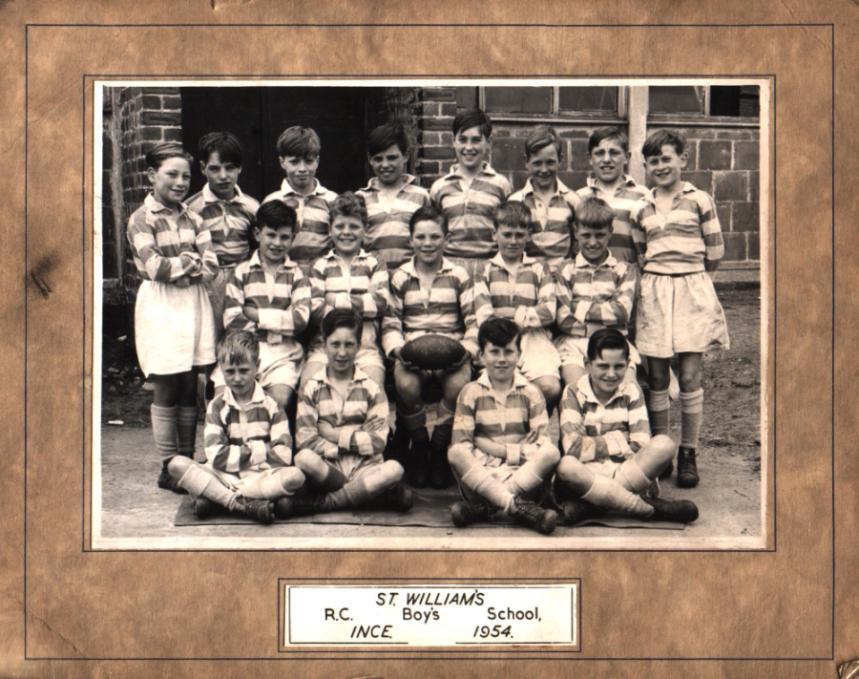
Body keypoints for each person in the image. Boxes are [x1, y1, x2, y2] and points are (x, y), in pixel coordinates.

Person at [632, 129, 730, 487]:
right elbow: (642, 253)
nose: (660, 166)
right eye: (653, 161)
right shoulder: (641, 207)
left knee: (688, 376)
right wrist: (661, 281)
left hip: (691, 288)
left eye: (667, 158)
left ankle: (688, 451)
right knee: (657, 377)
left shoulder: (699, 200)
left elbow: (715, 253)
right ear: (646, 166)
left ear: (682, 160)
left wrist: (691, 282)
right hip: (655, 291)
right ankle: (663, 451)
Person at [126, 142, 217, 493]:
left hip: (192, 303)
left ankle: (186, 461)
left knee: (188, 381)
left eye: (186, 176)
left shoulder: (194, 216)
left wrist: (181, 267)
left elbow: (210, 264)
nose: (180, 182)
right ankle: (168, 466)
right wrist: (183, 264)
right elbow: (154, 267)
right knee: (166, 381)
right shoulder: (141, 219)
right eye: (172, 174)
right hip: (162, 306)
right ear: (152, 176)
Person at [554, 329, 698, 525]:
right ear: (587, 365)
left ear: (627, 365)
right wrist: (621, 438)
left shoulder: (631, 390)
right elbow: (573, 448)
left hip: (626, 471)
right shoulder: (573, 392)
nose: (611, 374)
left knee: (663, 444)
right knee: (566, 466)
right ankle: (646, 508)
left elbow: (640, 443)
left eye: (619, 367)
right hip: (588, 474)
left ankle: (591, 505)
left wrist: (592, 442)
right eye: (603, 366)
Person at [381, 205, 477, 488]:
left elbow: (476, 320)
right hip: (413, 352)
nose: (428, 244)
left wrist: (465, 351)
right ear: (411, 240)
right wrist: (398, 350)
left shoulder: (460, 275)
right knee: (406, 384)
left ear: (446, 239)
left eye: (435, 237)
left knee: (458, 384)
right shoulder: (400, 277)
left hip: (452, 351)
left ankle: (439, 447)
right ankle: (420, 446)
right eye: (420, 237)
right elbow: (390, 322)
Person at [166, 331, 306, 524]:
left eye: (244, 370)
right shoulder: (217, 406)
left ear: (257, 366)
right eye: (230, 372)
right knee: (176, 464)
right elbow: (215, 455)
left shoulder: (272, 405)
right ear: (221, 369)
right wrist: (261, 451)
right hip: (223, 476)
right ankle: (243, 505)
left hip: (260, 477)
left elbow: (283, 455)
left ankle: (218, 500)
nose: (237, 378)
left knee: (295, 476)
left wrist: (239, 457)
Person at [289, 309, 412, 515]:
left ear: (359, 346)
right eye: (335, 344)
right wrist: (356, 438)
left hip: (365, 466)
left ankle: (326, 503)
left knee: (394, 469)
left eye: (349, 345)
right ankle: (367, 495)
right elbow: (306, 440)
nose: (342, 353)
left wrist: (332, 434)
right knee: (303, 459)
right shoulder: (311, 388)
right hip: (328, 468)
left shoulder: (372, 387)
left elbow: (378, 441)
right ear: (324, 344)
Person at [446, 317, 561, 535]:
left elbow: (539, 444)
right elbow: (462, 444)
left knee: (551, 452)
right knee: (456, 453)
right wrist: (516, 450)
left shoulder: (532, 393)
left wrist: (490, 446)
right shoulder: (470, 392)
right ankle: (517, 507)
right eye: (494, 352)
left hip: (522, 477)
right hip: (481, 478)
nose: (501, 359)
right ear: (481, 356)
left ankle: (484, 508)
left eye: (508, 352)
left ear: (519, 355)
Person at [221, 200, 311, 415]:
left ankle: (273, 447)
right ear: (257, 234)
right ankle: (235, 447)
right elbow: (232, 321)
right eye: (271, 235)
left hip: (282, 354)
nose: (277, 243)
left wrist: (255, 314)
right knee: (224, 398)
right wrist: (280, 320)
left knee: (277, 400)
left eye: (284, 237)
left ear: (292, 238)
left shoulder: (297, 274)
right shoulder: (242, 272)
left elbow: (300, 320)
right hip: (243, 351)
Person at [473, 200, 561, 413]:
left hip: (534, 340)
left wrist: (510, 313)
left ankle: (535, 427)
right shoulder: (483, 269)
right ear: (495, 234)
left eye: (519, 235)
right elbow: (484, 316)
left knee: (549, 387)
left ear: (528, 235)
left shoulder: (540, 268)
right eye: (507, 234)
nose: (513, 241)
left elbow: (549, 311)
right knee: (499, 390)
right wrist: (528, 314)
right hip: (496, 340)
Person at [302, 192, 388, 391]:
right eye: (340, 226)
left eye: (354, 226)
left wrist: (333, 299)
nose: (346, 232)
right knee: (307, 385)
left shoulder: (375, 264)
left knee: (374, 390)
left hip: (365, 347)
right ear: (330, 230)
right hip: (324, 347)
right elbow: (315, 311)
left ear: (365, 230)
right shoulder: (320, 266)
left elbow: (380, 304)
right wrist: (362, 301)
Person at [555, 197, 639, 390]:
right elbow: (563, 319)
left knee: (629, 389)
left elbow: (621, 312)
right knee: (578, 390)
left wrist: (578, 306)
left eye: (599, 235)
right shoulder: (565, 270)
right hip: (574, 345)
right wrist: (602, 318)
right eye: (586, 235)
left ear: (610, 232)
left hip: (615, 343)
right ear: (576, 232)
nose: (593, 242)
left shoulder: (623, 270)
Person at [186, 131, 260, 337]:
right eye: (214, 168)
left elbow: (258, 247)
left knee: (242, 334)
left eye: (230, 168)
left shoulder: (252, 207)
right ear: (202, 168)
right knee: (208, 335)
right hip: (208, 282)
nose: (223, 176)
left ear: (240, 168)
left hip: (242, 279)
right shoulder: (192, 208)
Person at [430, 108, 511, 279]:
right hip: (449, 269)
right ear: (453, 142)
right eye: (463, 140)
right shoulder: (440, 187)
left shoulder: (501, 185)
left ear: (488, 143)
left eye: (476, 140)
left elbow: (507, 228)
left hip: (490, 268)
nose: (469, 147)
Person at [356, 122, 431, 270]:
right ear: (370, 159)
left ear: (405, 156)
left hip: (411, 278)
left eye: (392, 158)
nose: (385, 165)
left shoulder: (421, 196)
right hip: (372, 277)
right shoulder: (361, 198)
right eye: (378, 159)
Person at [262, 126, 338, 267]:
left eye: (308, 161)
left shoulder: (332, 200)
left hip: (322, 278)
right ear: (282, 162)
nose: (302, 169)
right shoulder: (272, 201)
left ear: (317, 161)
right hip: (284, 279)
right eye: (294, 162)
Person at [507, 125, 580, 272]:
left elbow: (578, 246)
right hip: (528, 278)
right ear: (526, 162)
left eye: (550, 162)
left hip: (563, 279)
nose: (544, 169)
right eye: (537, 163)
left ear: (561, 160)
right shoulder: (516, 201)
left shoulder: (572, 200)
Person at [575, 126, 648, 264]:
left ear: (627, 157)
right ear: (590, 158)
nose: (607, 159)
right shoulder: (579, 197)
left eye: (614, 153)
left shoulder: (643, 195)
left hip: (630, 277)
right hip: (589, 280)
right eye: (599, 153)